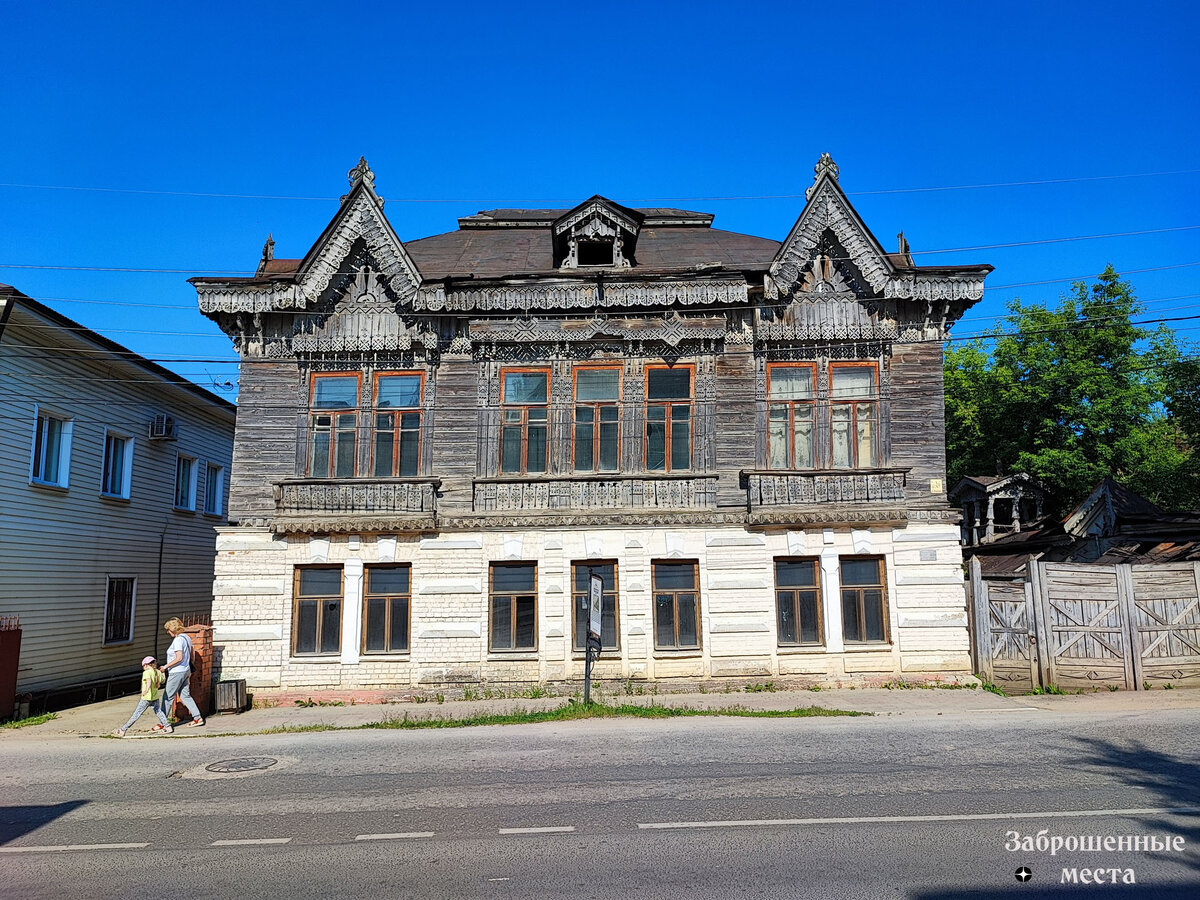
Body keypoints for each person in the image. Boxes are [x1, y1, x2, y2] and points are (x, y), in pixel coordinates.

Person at [161, 617, 204, 727]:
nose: (168, 632)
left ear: (173, 630)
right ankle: (197, 718)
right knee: (185, 695)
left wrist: (165, 667)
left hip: (176, 672)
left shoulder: (178, 640)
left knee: (167, 697)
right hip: (185, 670)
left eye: (168, 630)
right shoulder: (187, 638)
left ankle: (162, 723)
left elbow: (179, 657)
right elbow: (192, 654)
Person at [114, 657, 171, 736]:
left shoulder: (147, 672)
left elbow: (149, 681)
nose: (143, 668)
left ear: (146, 665)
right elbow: (163, 681)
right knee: (158, 712)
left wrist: (146, 690)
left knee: (137, 713)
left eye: (143, 666)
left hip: (146, 698)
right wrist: (163, 673)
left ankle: (123, 730)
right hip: (155, 697)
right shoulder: (157, 672)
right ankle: (167, 726)